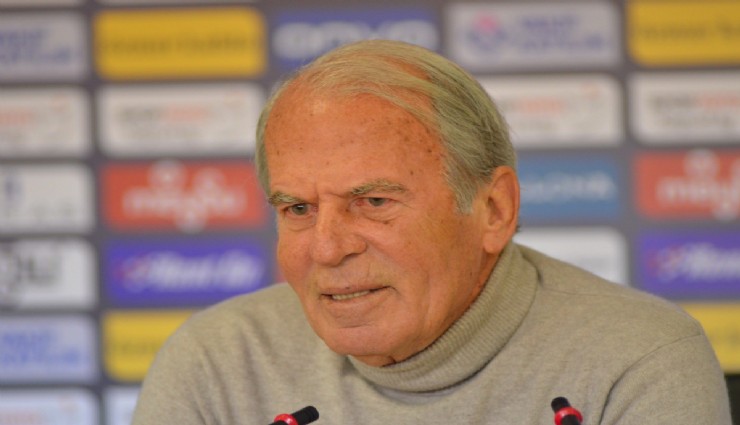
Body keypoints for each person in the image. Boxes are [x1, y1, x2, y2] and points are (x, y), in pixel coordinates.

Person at [131, 40, 732, 424]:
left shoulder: (638, 359)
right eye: (297, 208)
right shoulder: (213, 364)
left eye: (373, 202)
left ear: (493, 209)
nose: (328, 248)